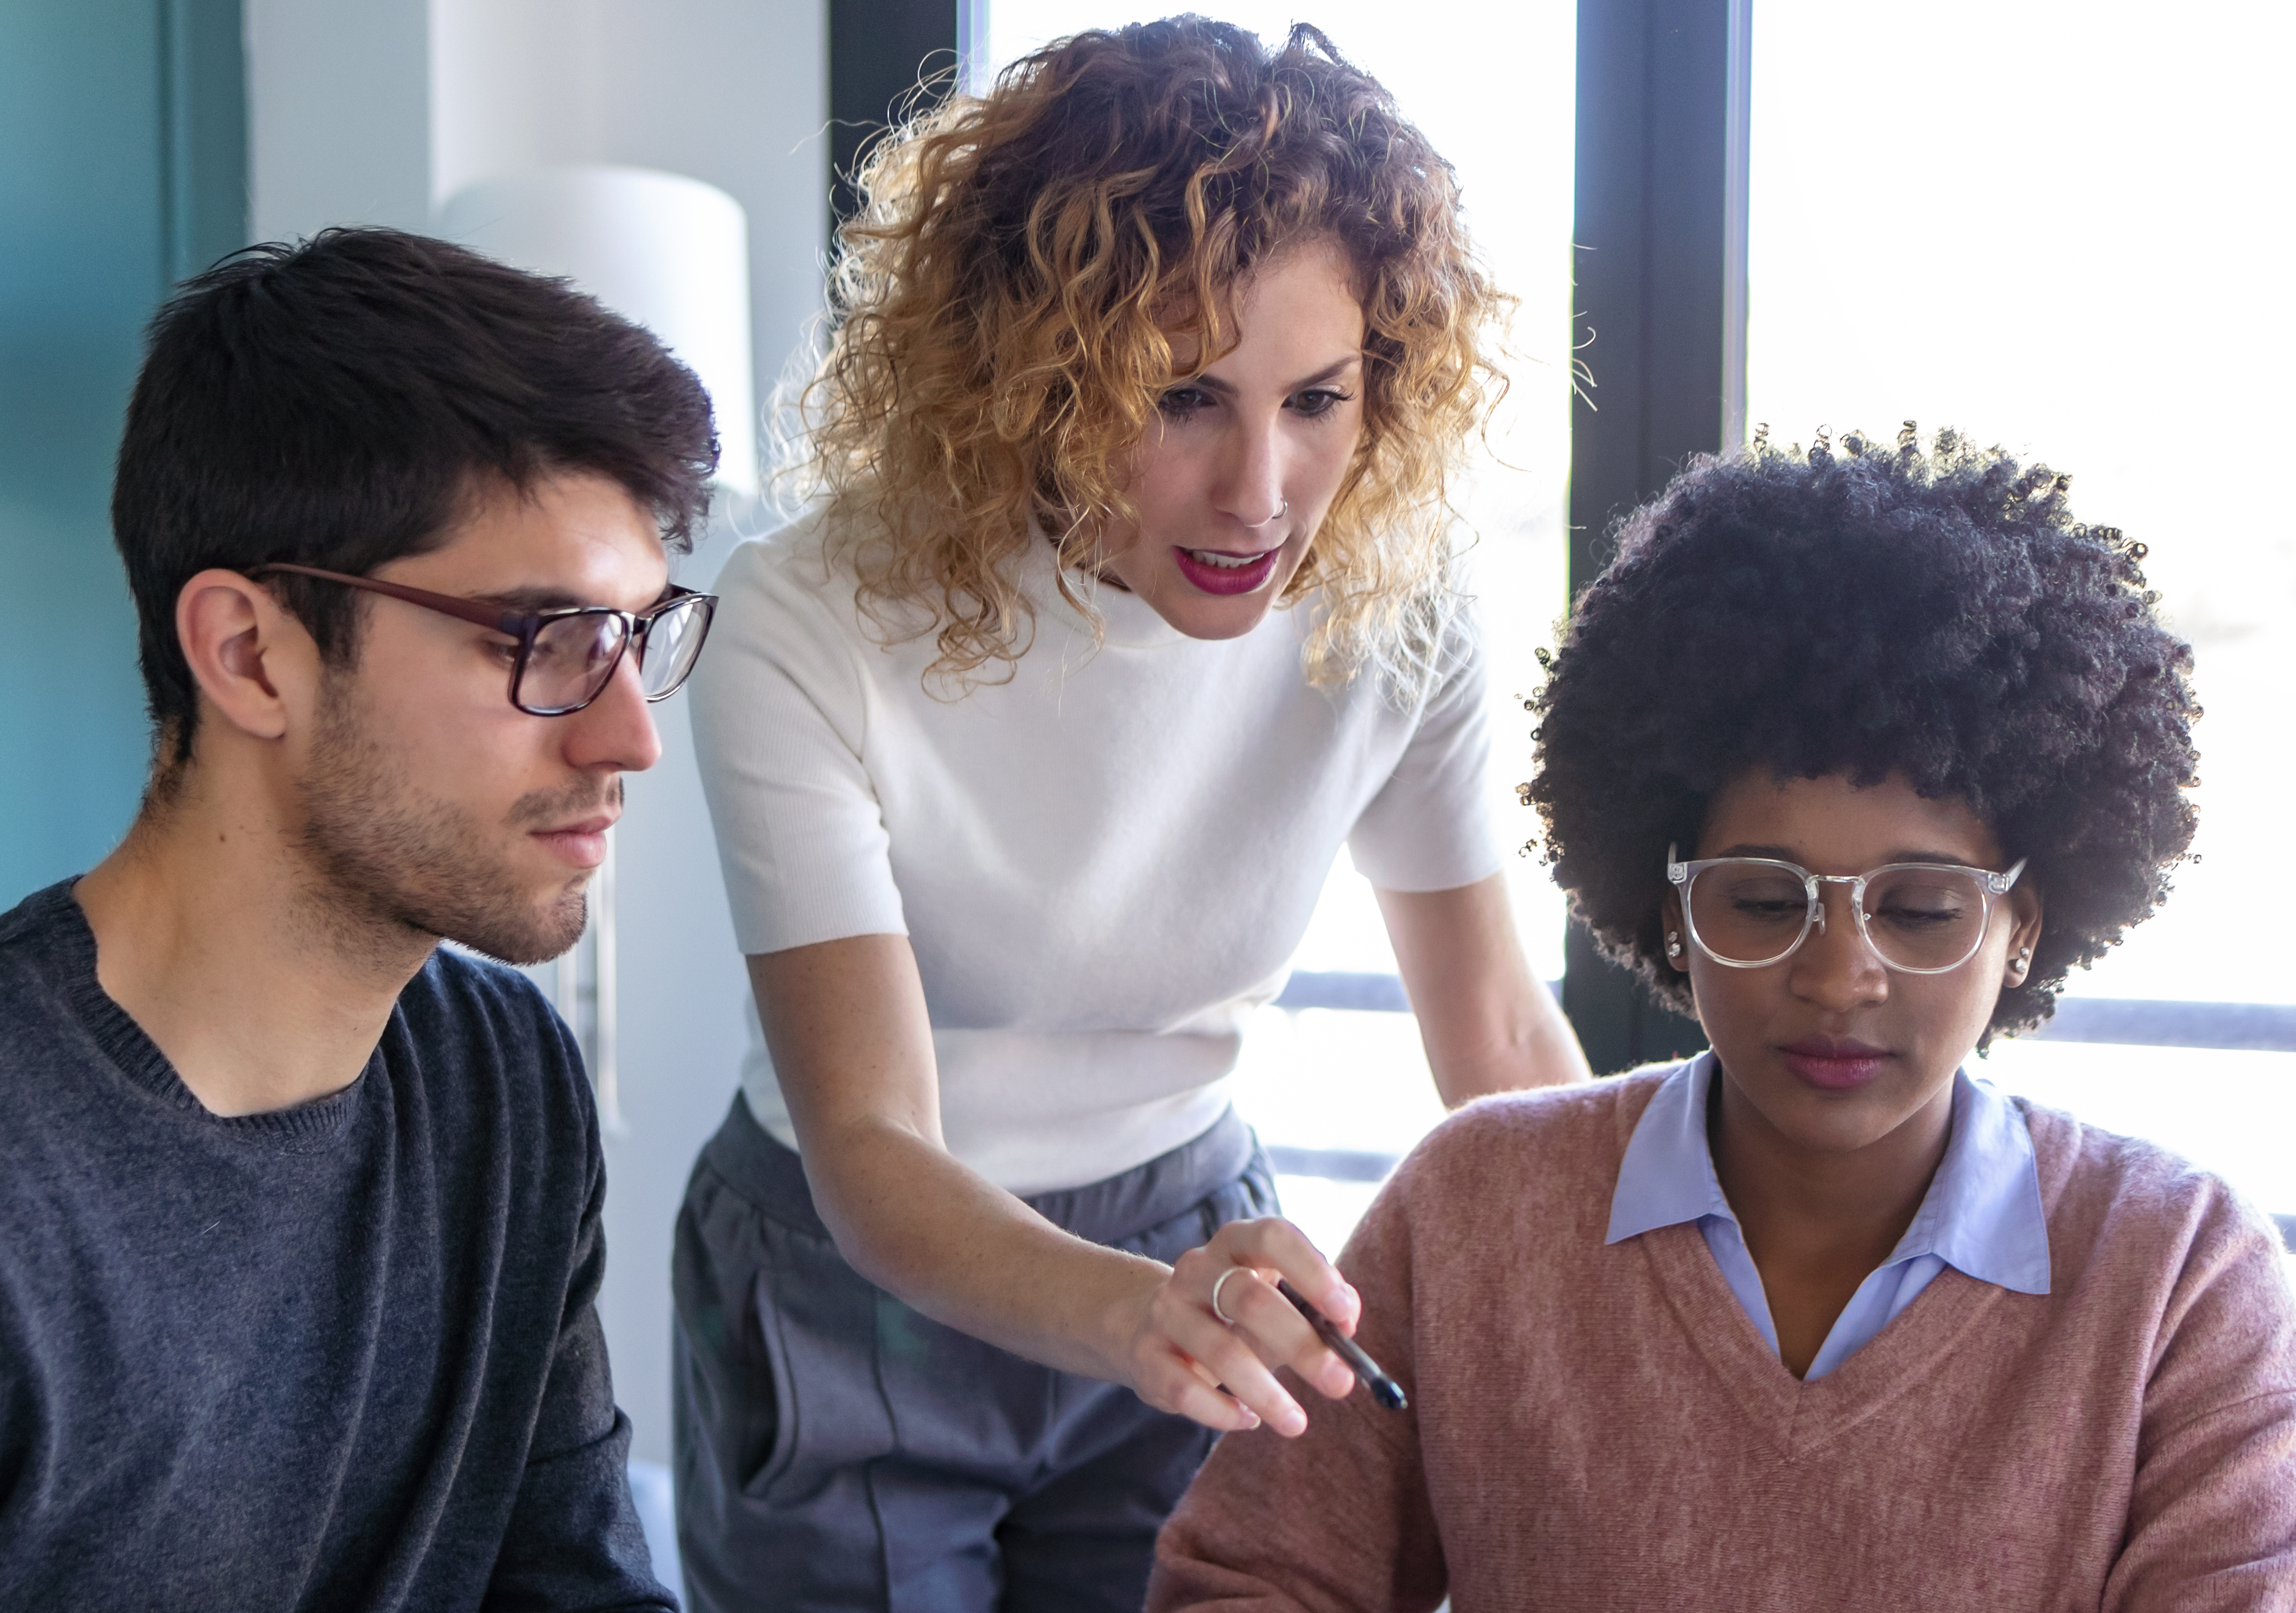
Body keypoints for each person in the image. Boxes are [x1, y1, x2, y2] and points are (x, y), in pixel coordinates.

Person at [673, 17, 1590, 1610]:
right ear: (1028, 376)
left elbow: (1501, 1041)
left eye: (1318, 399)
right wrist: (1141, 1311)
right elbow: (875, 1142)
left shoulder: (1400, 606)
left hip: (1192, 1228)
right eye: (1181, 400)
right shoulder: (806, 617)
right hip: (860, 1278)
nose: (1261, 492)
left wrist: (1659, 1324)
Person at [1149, 427, 2296, 1610]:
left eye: (1915, 908)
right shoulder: (1468, 1211)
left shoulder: (2175, 1275)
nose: (1838, 975)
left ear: (2025, 928)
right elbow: (1251, 1578)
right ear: (1666, 903)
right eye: (1760, 898)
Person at [0, 227, 719, 1609]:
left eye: (636, 636)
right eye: (542, 639)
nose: (632, 737)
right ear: (249, 654)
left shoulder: (502, 1081)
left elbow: (567, 1576)